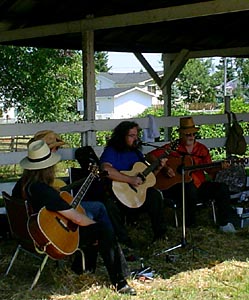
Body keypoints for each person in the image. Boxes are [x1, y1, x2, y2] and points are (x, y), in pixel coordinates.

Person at [12, 140, 136, 295]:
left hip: (30, 235)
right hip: (53, 239)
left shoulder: (23, 184)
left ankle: (84, 268)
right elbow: (77, 219)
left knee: (96, 225)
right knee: (103, 230)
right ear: (48, 168)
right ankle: (119, 282)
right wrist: (98, 228)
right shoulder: (43, 190)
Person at [146, 116, 237, 233]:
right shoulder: (173, 147)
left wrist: (220, 167)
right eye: (188, 134)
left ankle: (224, 224)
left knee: (222, 188)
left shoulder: (202, 149)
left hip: (199, 185)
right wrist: (165, 168)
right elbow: (150, 156)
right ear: (181, 135)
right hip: (176, 187)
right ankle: (190, 226)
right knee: (189, 188)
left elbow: (209, 170)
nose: (191, 137)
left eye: (193, 134)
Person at [99, 120, 167, 248]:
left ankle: (161, 235)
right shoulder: (112, 151)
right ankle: (124, 241)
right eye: (132, 136)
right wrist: (130, 179)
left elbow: (146, 179)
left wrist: (157, 168)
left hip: (136, 195)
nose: (136, 139)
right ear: (121, 136)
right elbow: (105, 170)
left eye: (137, 135)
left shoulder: (136, 153)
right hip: (118, 196)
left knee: (155, 195)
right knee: (108, 205)